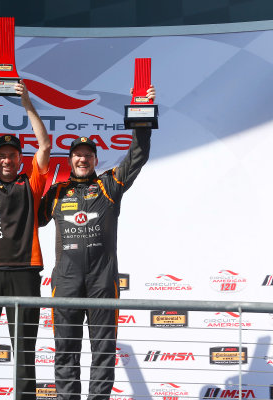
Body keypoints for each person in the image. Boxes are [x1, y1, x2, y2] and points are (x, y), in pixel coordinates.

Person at [39, 86, 156, 400]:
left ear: (94, 158)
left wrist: (142, 117)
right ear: (70, 159)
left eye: (87, 155)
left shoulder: (109, 185)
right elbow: (27, 219)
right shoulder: (56, 192)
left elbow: (136, 156)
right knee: (65, 349)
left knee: (103, 350)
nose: (82, 159)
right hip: (65, 281)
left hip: (103, 280)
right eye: (77, 155)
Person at [0, 75, 51, 400]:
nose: (5, 160)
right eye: (0, 155)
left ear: (19, 159)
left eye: (11, 155)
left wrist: (27, 102)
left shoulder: (31, 184)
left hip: (24, 274)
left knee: (25, 356)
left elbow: (44, 146)